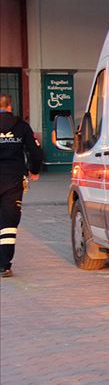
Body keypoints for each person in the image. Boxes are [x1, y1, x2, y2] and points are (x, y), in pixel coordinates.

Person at [0, 94, 43, 278]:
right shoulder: (22, 126)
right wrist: (34, 170)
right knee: (9, 223)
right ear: (10, 106)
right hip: (13, 179)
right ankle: (4, 266)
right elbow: (35, 152)